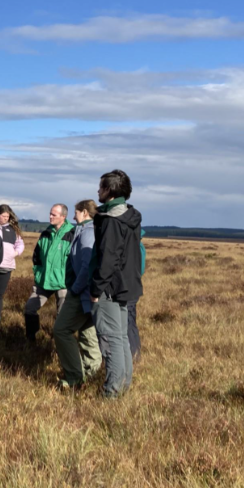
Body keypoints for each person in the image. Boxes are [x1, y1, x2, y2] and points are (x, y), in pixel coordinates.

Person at [90, 170, 143, 398]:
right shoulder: (130, 215)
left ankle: (111, 393)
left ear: (109, 190)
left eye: (101, 187)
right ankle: (123, 387)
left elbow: (108, 258)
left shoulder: (111, 221)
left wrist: (96, 288)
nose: (98, 191)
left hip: (110, 289)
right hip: (127, 285)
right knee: (121, 338)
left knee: (111, 340)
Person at [51, 200, 102, 390]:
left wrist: (75, 288)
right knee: (87, 332)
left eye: (76, 212)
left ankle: (74, 377)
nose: (74, 217)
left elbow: (87, 264)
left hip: (82, 292)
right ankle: (93, 373)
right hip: (89, 293)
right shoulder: (90, 230)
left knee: (61, 330)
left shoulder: (88, 232)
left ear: (84, 213)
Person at [24, 204, 75, 342]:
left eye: (54, 215)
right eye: (50, 213)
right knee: (29, 309)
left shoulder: (72, 233)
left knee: (62, 317)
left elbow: (76, 260)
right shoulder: (46, 233)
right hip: (43, 281)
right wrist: (38, 272)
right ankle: (31, 339)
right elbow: (37, 256)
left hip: (63, 283)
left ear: (63, 217)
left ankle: (59, 345)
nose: (50, 216)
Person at [0, 204, 25, 328]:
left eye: (7, 216)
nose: (6, 218)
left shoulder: (12, 230)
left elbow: (20, 244)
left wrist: (15, 253)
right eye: (3, 216)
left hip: (6, 267)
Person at [128, 228, 146, 364]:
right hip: (133, 288)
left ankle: (134, 354)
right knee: (131, 322)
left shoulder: (135, 248)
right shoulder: (139, 246)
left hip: (128, 289)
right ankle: (135, 353)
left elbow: (138, 269)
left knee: (128, 323)